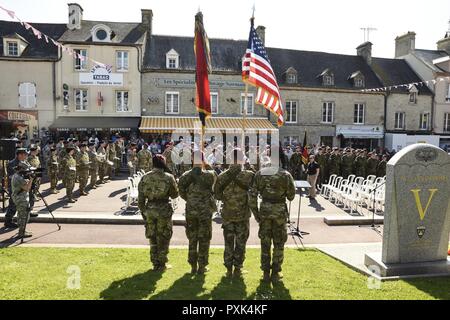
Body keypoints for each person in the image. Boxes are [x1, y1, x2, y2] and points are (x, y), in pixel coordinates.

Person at [249, 165, 296, 282]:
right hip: (279, 213)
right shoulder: (285, 174)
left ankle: (265, 273)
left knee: (265, 243)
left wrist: (256, 213)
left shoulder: (260, 174)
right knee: (279, 243)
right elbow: (291, 196)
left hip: (265, 212)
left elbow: (252, 195)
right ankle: (275, 273)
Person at [214, 149, 254, 277]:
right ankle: (237, 268)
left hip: (228, 214)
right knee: (241, 243)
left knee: (228, 242)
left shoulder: (222, 176)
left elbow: (218, 195)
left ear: (230, 159)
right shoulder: (249, 175)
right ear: (242, 159)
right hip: (242, 215)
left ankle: (228, 269)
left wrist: (228, 198)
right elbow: (254, 193)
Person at [178, 151, 217, 274]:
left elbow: (181, 192)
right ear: (203, 160)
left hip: (191, 210)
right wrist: (206, 164)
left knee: (192, 238)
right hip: (205, 210)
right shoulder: (209, 175)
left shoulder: (185, 176)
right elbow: (217, 178)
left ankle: (193, 265)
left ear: (191, 159)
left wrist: (190, 199)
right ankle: (202, 266)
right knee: (204, 238)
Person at [138, 154, 179, 271]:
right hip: (163, 209)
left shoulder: (145, 177)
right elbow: (175, 194)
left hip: (149, 209)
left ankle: (155, 263)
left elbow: (141, 199)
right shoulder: (168, 177)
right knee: (164, 236)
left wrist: (144, 213)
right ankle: (162, 263)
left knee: (152, 236)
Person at [4, 148, 30, 229]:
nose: (26, 156)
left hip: (22, 185)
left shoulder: (23, 162)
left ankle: (20, 217)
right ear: (19, 155)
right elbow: (14, 176)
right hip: (14, 187)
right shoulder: (12, 164)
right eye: (25, 154)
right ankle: (8, 221)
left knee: (21, 203)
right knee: (13, 204)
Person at [11, 162, 35, 239]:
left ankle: (23, 230)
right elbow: (27, 188)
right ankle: (21, 232)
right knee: (23, 216)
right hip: (21, 199)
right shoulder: (19, 178)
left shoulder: (17, 175)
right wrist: (31, 179)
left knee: (21, 215)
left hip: (20, 197)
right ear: (21, 169)